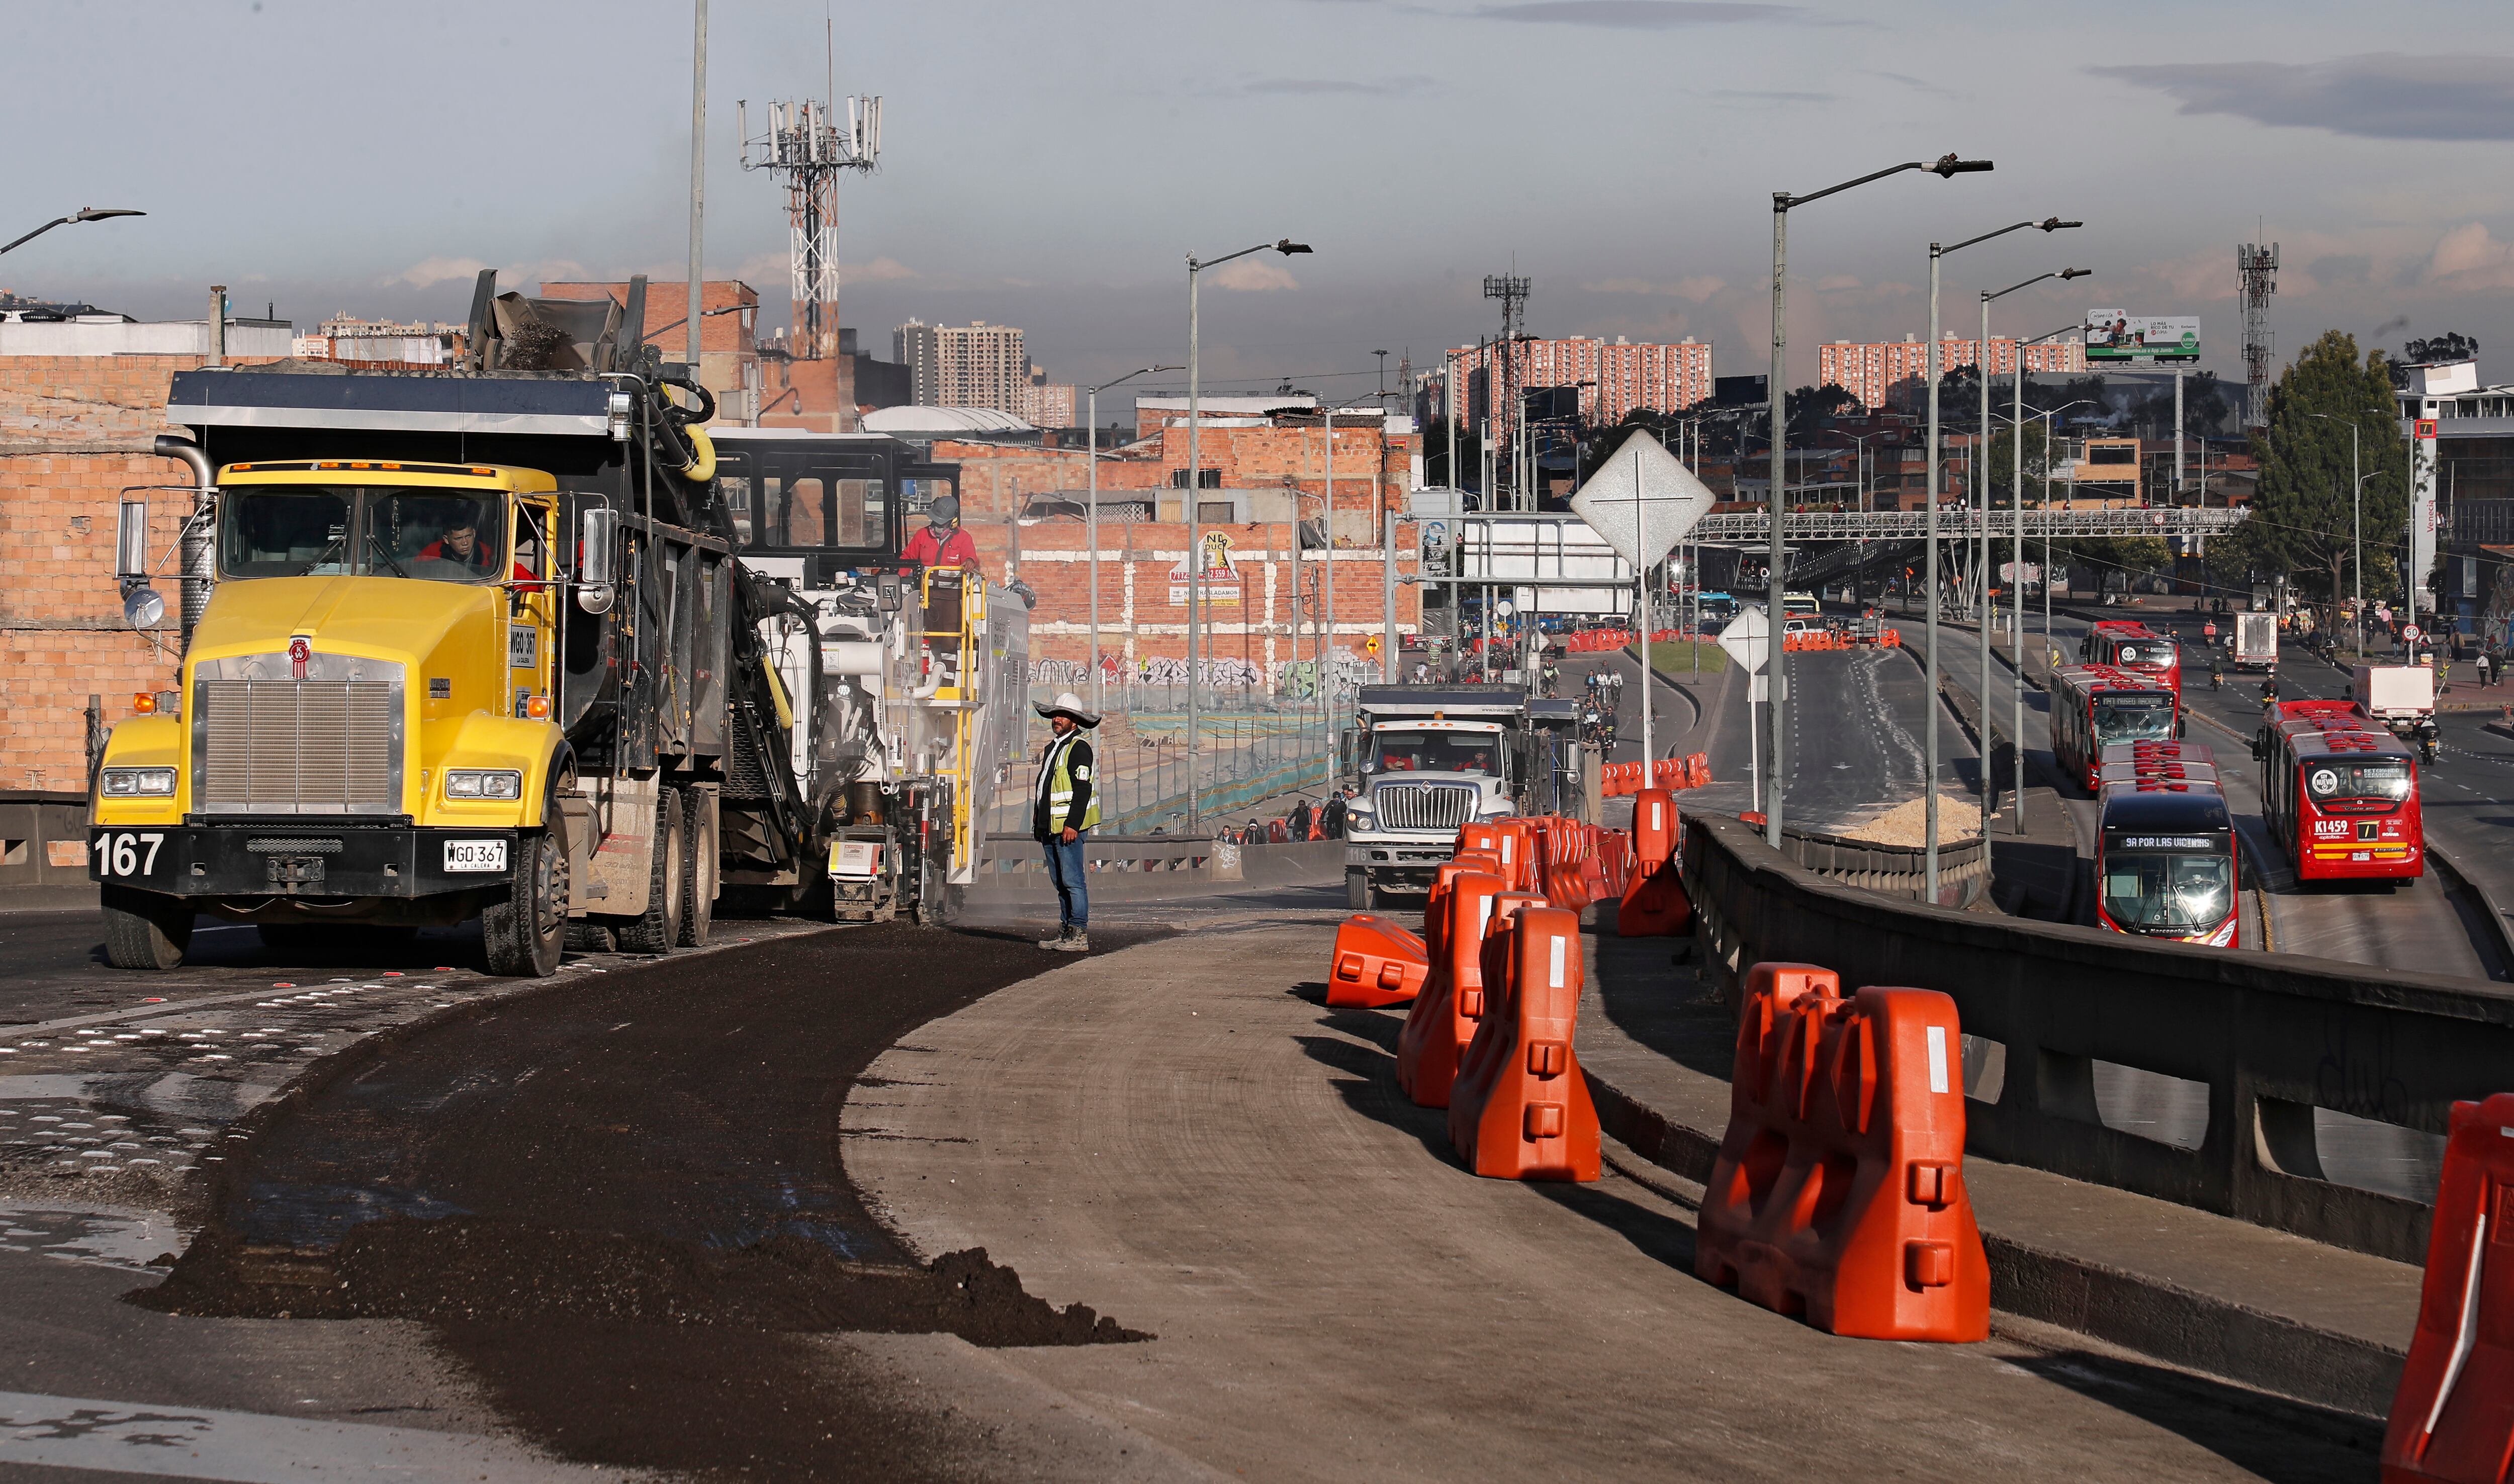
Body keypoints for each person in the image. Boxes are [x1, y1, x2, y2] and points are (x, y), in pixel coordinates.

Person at [1031, 691, 1100, 952]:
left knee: (1073, 882)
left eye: (1064, 716)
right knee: (1060, 883)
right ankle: (1065, 932)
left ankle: (1079, 934)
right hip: (1049, 828)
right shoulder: (1054, 748)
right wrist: (1038, 819)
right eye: (1056, 715)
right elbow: (1046, 788)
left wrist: (1072, 825)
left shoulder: (1079, 748)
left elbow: (1082, 791)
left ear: (1075, 721)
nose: (1057, 719)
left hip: (1067, 830)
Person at [902, 495, 980, 571]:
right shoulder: (922, 535)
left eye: (941, 523)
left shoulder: (963, 538)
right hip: (925, 584)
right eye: (935, 521)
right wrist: (900, 579)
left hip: (954, 584)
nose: (937, 527)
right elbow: (907, 559)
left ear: (953, 522)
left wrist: (970, 561)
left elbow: (970, 556)